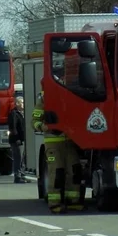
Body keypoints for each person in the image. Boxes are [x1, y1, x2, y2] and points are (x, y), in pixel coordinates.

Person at [33, 79, 82, 213]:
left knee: (74, 170)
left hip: (69, 141)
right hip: (53, 142)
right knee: (57, 172)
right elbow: (35, 121)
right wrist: (43, 126)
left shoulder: (66, 96)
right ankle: (54, 203)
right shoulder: (43, 99)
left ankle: (72, 201)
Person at [7, 96, 27, 184]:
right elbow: (13, 128)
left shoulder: (23, 113)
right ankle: (17, 176)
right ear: (18, 104)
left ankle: (22, 175)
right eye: (22, 102)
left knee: (23, 158)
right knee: (18, 158)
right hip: (16, 140)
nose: (24, 104)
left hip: (22, 139)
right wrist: (17, 139)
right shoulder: (14, 113)